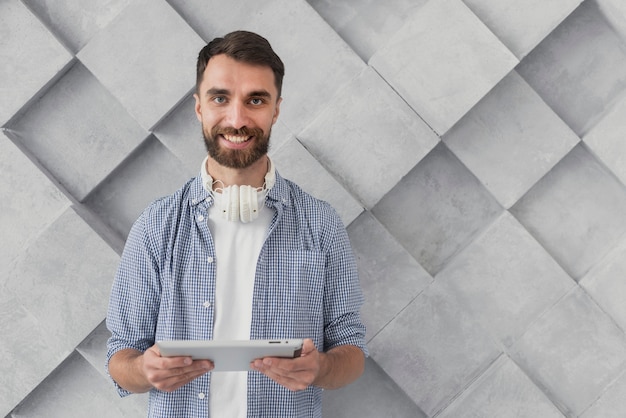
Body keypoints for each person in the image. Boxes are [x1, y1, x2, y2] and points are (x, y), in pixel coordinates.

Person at [105, 30, 367, 417]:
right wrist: (144, 370)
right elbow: (119, 357)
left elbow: (352, 352)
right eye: (220, 98)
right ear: (199, 107)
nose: (237, 119)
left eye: (256, 100)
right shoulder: (156, 225)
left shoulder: (321, 223)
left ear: (276, 109)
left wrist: (323, 367)